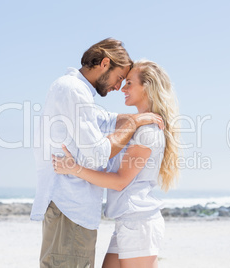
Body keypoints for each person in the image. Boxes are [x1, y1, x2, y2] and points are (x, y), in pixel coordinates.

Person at [31, 39, 164, 268]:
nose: (118, 86)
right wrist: (134, 123)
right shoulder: (72, 89)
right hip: (71, 208)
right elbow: (99, 155)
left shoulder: (77, 91)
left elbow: (108, 120)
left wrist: (142, 118)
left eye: (127, 82)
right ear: (104, 63)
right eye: (120, 78)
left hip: (76, 212)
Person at [53, 60, 180, 268]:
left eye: (129, 83)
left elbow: (120, 181)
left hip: (138, 222)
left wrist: (73, 169)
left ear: (146, 87)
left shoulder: (147, 132)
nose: (123, 88)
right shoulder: (137, 127)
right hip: (127, 221)